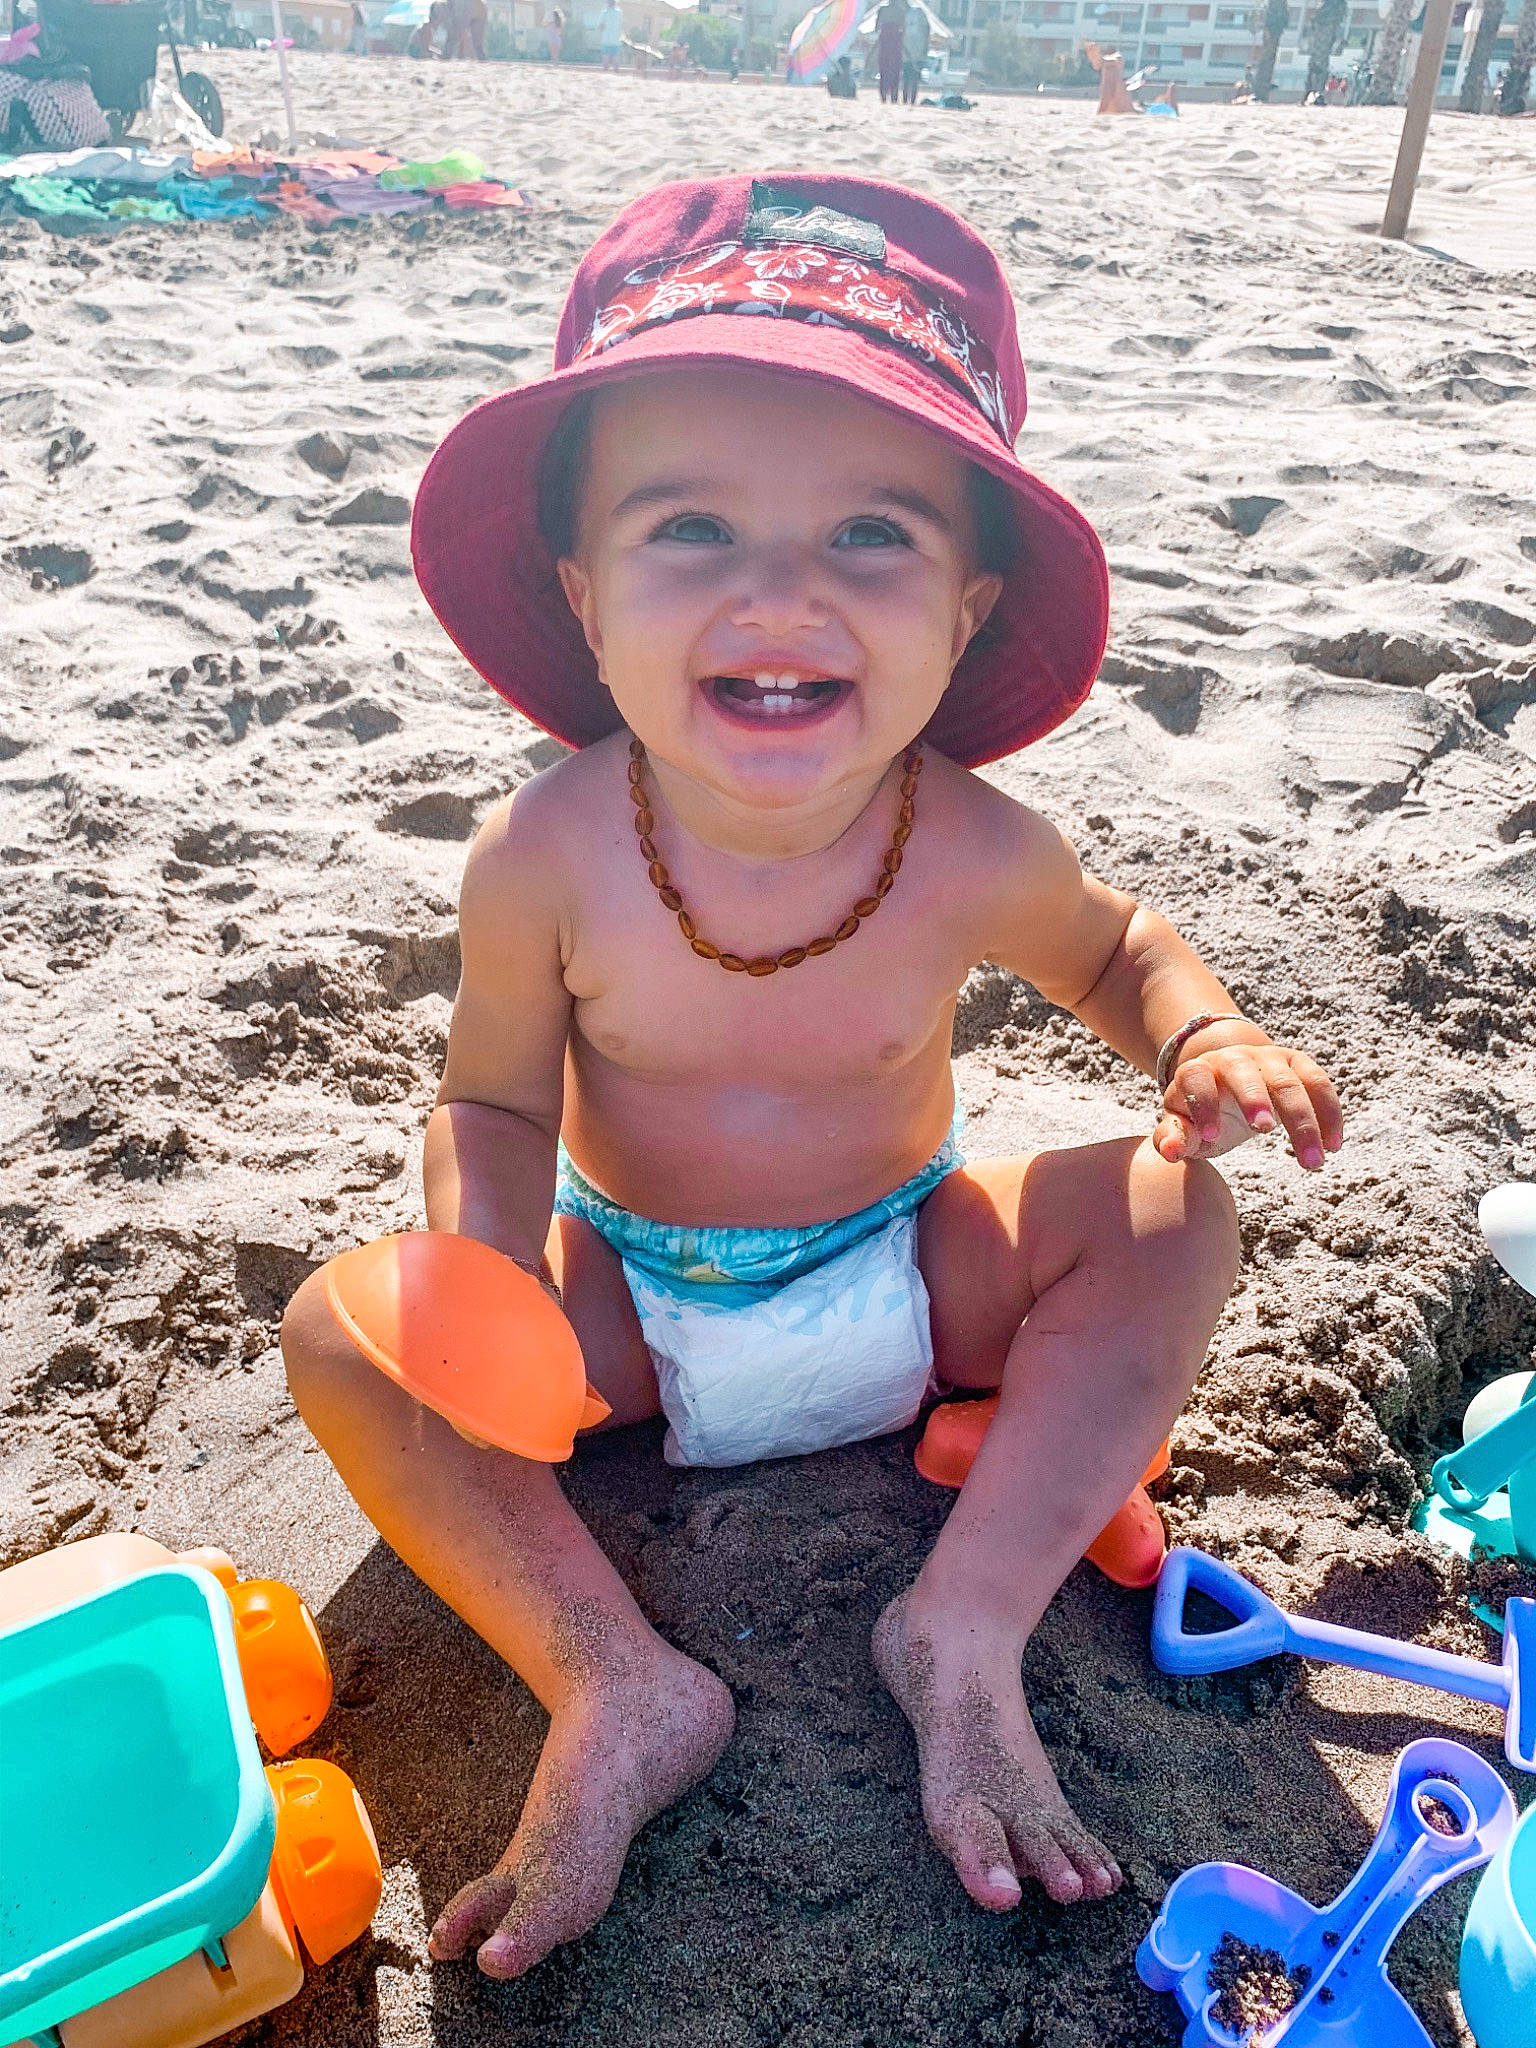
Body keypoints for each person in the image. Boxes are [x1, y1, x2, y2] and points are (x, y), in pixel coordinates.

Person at [283, 173, 1343, 1983]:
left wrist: (1196, 1033)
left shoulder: (971, 838)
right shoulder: (542, 850)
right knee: (338, 1331)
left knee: (1175, 1208)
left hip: (909, 1274)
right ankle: (612, 1674)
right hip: (632, 1303)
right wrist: (482, 1274)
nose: (780, 590)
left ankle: (966, 1618)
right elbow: (494, 1103)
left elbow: (1116, 941)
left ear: (964, 607)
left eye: (870, 535)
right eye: (688, 526)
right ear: (581, 594)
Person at [874, 0, 906, 100]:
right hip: (895, 42)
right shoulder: (901, 10)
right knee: (894, 71)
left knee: (885, 70)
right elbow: (904, 28)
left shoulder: (883, 10)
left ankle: (885, 95)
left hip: (886, 42)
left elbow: (876, 27)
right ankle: (893, 96)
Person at [901, 0, 929, 102]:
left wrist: (924, 49)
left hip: (918, 52)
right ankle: (905, 100)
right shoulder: (904, 15)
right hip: (907, 53)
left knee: (914, 79)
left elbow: (927, 30)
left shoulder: (920, 13)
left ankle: (912, 100)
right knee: (907, 79)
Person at [598, 0, 623, 69]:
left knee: (605, 64)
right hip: (616, 40)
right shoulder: (619, 13)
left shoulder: (604, 13)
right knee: (616, 64)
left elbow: (600, 26)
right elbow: (621, 25)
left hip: (606, 40)